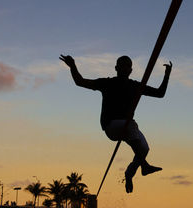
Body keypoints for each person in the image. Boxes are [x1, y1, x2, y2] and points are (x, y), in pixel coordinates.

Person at [60, 55, 172, 193]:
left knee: (145, 149)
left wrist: (167, 75)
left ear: (131, 70)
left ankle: (129, 174)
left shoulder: (135, 86)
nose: (125, 68)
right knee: (131, 125)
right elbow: (80, 81)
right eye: (122, 65)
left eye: (127, 66)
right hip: (111, 126)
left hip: (128, 127)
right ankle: (145, 165)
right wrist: (73, 66)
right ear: (116, 68)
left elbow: (160, 93)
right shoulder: (107, 83)